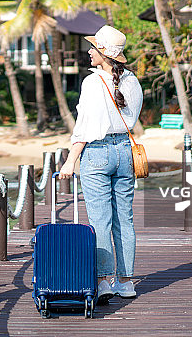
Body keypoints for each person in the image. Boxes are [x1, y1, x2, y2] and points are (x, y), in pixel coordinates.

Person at [58, 24, 143, 302]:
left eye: (94, 47)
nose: (89, 51)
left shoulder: (93, 82)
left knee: (99, 220)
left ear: (104, 53)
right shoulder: (131, 81)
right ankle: (127, 282)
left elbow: (85, 126)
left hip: (96, 152)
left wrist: (71, 160)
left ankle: (105, 281)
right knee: (124, 220)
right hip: (125, 152)